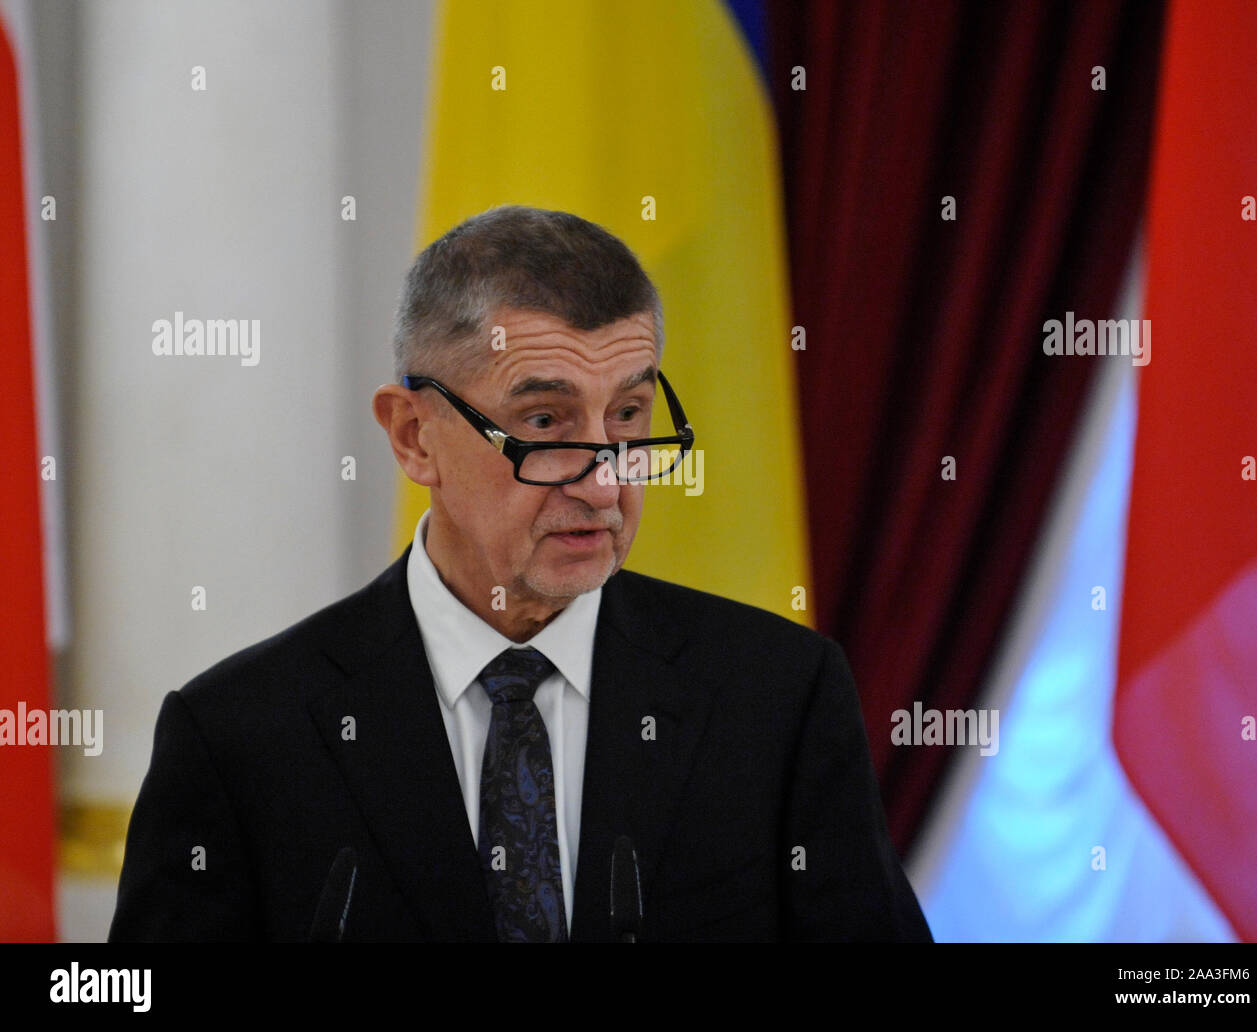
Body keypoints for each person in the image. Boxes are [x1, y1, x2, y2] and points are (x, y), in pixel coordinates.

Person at [109, 205, 932, 942]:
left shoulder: (777, 697)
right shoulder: (243, 735)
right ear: (413, 437)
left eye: (629, 416)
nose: (606, 481)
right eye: (545, 422)